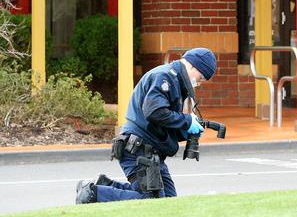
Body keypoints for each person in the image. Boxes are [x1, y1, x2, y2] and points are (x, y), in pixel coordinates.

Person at [75, 47, 217, 204]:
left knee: (168, 201)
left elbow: (163, 122)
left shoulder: (175, 81)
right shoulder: (164, 77)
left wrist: (187, 130)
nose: (200, 82)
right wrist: (187, 121)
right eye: (201, 77)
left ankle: (105, 186)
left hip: (150, 152)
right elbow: (155, 112)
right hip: (137, 149)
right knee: (150, 199)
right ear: (192, 65)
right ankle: (93, 193)